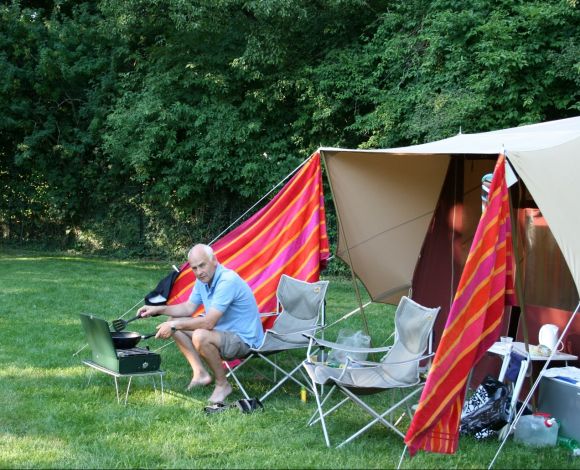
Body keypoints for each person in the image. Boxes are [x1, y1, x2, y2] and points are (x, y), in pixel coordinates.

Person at [138, 243, 264, 404]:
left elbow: (209, 323)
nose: (199, 272)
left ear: (214, 260)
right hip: (223, 333)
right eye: (194, 268)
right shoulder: (204, 280)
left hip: (244, 339)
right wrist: (157, 309)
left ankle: (222, 384)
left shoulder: (227, 281)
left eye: (202, 265)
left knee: (200, 336)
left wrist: (175, 326)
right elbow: (188, 307)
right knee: (174, 322)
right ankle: (201, 374)